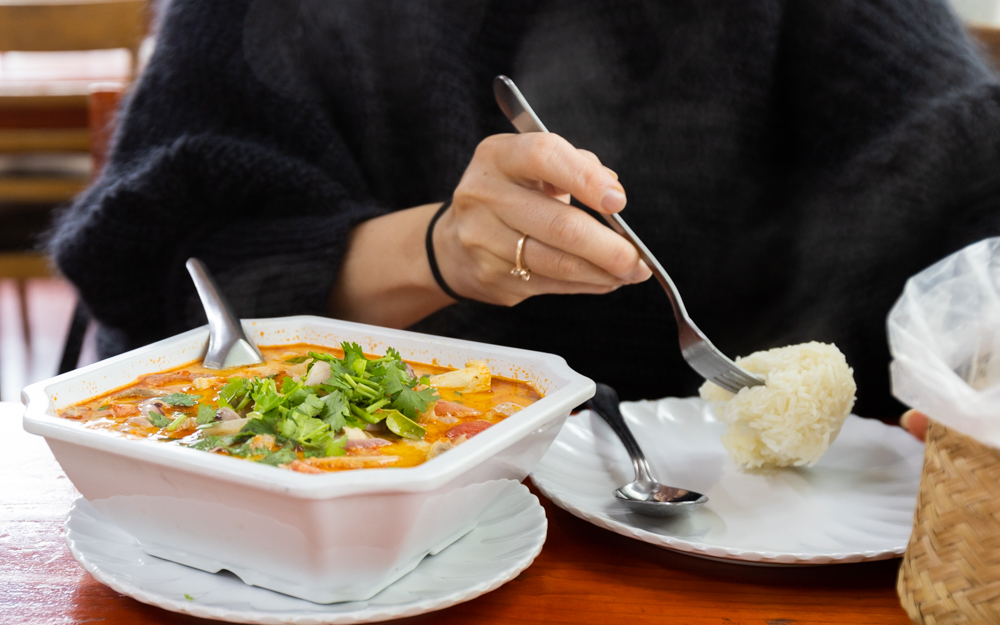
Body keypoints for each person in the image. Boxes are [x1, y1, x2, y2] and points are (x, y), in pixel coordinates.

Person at [47, 0, 1000, 417]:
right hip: (361, 527)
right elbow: (166, 270)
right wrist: (439, 249)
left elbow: (959, 168)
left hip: (770, 547)